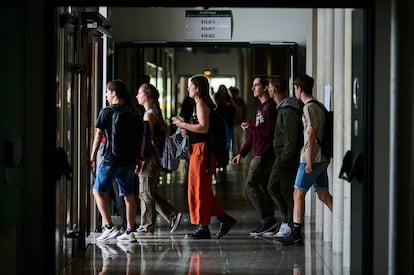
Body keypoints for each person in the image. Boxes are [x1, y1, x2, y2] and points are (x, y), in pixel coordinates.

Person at [172, 75, 236, 239]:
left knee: (199, 189)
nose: (188, 89)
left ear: (198, 88)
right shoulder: (198, 104)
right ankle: (222, 218)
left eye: (190, 86)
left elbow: (204, 128)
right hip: (197, 150)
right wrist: (187, 129)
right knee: (198, 189)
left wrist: (183, 125)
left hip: (202, 152)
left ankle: (203, 226)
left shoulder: (201, 104)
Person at [278, 74, 333, 246]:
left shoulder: (309, 107)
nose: (295, 91)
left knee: (298, 192)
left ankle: (295, 233)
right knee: (323, 194)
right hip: (320, 158)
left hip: (312, 158)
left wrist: (308, 161)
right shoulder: (318, 105)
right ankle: (344, 218)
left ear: (299, 89)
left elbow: (311, 134)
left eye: (295, 88)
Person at [91, 79, 143, 243]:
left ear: (114, 93)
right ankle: (129, 231)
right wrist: (139, 158)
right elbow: (141, 137)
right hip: (128, 161)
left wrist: (92, 156)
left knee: (97, 191)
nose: (106, 95)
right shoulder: (134, 112)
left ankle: (108, 227)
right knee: (129, 195)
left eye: (107, 91)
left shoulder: (106, 112)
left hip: (111, 160)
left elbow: (99, 135)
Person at [231, 75, 278, 236]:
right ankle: (269, 221)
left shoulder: (270, 107)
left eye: (256, 85)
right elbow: (254, 135)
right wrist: (241, 153)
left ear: (265, 87)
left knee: (251, 185)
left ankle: (268, 220)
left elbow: (270, 132)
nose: (253, 88)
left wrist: (252, 128)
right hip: (258, 152)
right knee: (263, 187)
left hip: (264, 153)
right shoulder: (260, 108)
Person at [135, 83, 182, 234]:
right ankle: (172, 214)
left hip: (149, 156)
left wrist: (141, 158)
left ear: (146, 96)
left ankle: (147, 226)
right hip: (154, 154)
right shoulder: (154, 112)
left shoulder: (148, 115)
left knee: (145, 192)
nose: (137, 96)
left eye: (139, 93)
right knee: (148, 191)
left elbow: (146, 138)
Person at [266, 75, 302, 239]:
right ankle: (286, 220)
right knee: (275, 187)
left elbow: (291, 139)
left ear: (273, 90)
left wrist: (284, 157)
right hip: (281, 156)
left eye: (269, 87)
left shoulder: (287, 111)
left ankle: (288, 223)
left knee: (284, 190)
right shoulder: (282, 108)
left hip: (286, 158)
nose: (268, 89)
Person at [229, 86, 247, 157]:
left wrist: (244, 120)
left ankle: (238, 152)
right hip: (233, 123)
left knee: (239, 139)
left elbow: (245, 111)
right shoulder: (231, 101)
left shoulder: (241, 101)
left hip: (240, 123)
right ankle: (235, 153)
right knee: (234, 139)